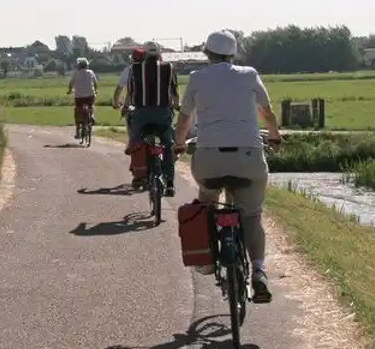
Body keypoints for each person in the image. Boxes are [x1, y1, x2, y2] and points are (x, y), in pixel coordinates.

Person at [173, 30, 283, 304]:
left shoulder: (197, 78)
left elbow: (184, 118)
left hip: (209, 158)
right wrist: (275, 137)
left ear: (207, 53)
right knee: (252, 215)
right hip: (248, 157)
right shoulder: (249, 75)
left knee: (207, 202)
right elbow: (266, 112)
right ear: (233, 53)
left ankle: (208, 259)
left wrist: (179, 144)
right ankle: (258, 271)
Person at [112, 42, 178, 195]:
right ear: (159, 53)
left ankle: (138, 174)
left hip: (141, 114)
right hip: (162, 114)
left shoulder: (134, 69)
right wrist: (176, 104)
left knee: (136, 141)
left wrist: (126, 106)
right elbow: (174, 92)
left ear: (145, 54)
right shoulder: (168, 67)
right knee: (168, 144)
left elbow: (130, 93)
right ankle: (169, 183)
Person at [66, 57, 99, 139]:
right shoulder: (90, 72)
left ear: (78, 66)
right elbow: (95, 83)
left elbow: (71, 84)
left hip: (79, 97)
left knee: (77, 110)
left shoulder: (75, 73)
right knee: (91, 105)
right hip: (90, 96)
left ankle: (78, 130)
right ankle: (92, 116)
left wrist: (69, 91)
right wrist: (96, 90)